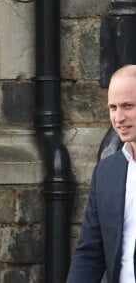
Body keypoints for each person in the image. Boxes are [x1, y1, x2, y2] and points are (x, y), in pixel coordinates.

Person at [67, 64, 136, 282]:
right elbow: (90, 252)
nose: (118, 117)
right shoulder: (106, 172)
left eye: (128, 106)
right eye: (113, 107)